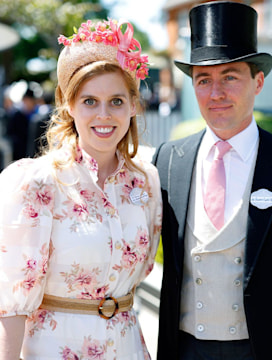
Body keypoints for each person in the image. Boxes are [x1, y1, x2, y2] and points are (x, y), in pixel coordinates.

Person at [153, 2, 272, 359]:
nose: (216, 93)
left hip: (267, 349)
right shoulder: (167, 160)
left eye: (229, 77)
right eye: (203, 80)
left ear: (258, 82)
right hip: (185, 349)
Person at [0, 19, 162, 359]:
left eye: (116, 101)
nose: (104, 115)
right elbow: (11, 305)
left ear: (133, 105)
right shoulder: (36, 183)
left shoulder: (147, 181)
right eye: (90, 101)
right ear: (69, 105)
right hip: (55, 349)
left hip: (127, 348)